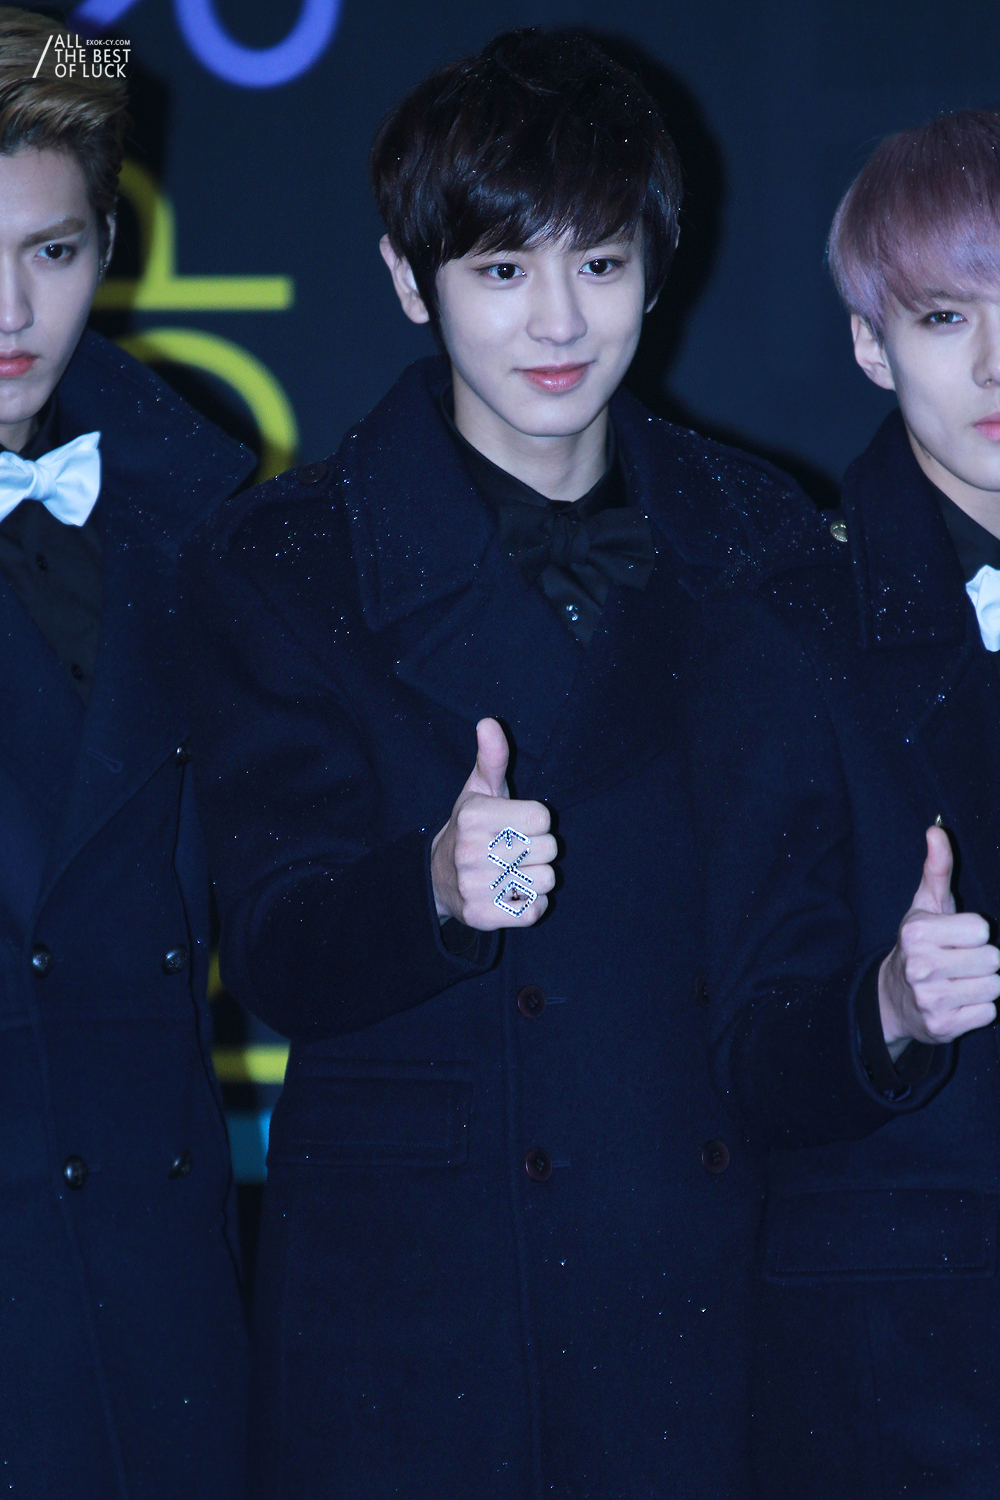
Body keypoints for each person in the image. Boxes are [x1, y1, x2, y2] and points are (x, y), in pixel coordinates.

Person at [183, 29, 812, 1499]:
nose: (558, 321)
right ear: (412, 282)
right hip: (425, 1297)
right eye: (501, 269)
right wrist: (431, 888)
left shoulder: (764, 536)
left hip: (700, 1271)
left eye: (599, 264)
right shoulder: (289, 560)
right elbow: (270, 944)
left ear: (657, 269)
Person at [684, 108, 1000, 1498]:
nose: (995, 364)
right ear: (873, 346)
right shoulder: (790, 626)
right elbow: (749, 1051)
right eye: (945, 317)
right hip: (914, 1366)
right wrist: (892, 1006)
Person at [0, 9, 251, 1495]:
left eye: (52, 250)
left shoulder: (199, 510)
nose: (11, 308)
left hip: (161, 1266)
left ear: (108, 245)